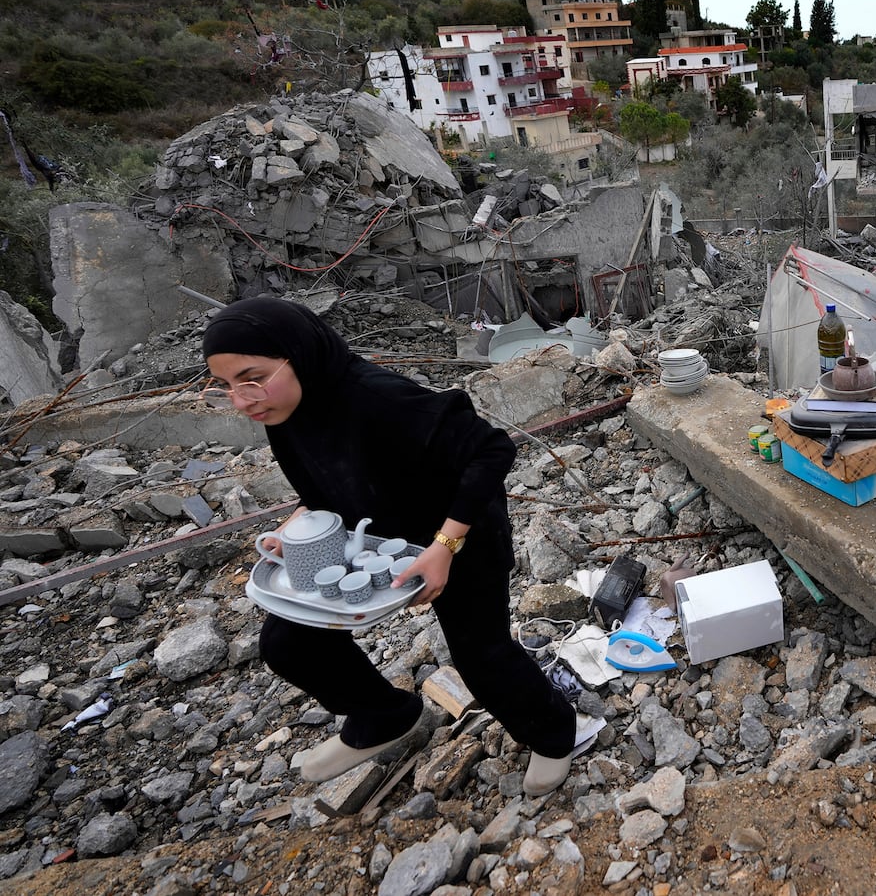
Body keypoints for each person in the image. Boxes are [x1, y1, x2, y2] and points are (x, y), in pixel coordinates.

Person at [201, 296, 601, 794]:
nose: (243, 400)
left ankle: (555, 735)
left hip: (459, 533)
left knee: (482, 657)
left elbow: (491, 450)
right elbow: (326, 485)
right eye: (226, 387)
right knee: (290, 642)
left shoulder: (379, 398)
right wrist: (297, 528)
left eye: (252, 377)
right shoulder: (287, 410)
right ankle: (383, 716)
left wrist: (444, 548)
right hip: (378, 537)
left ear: (297, 354)